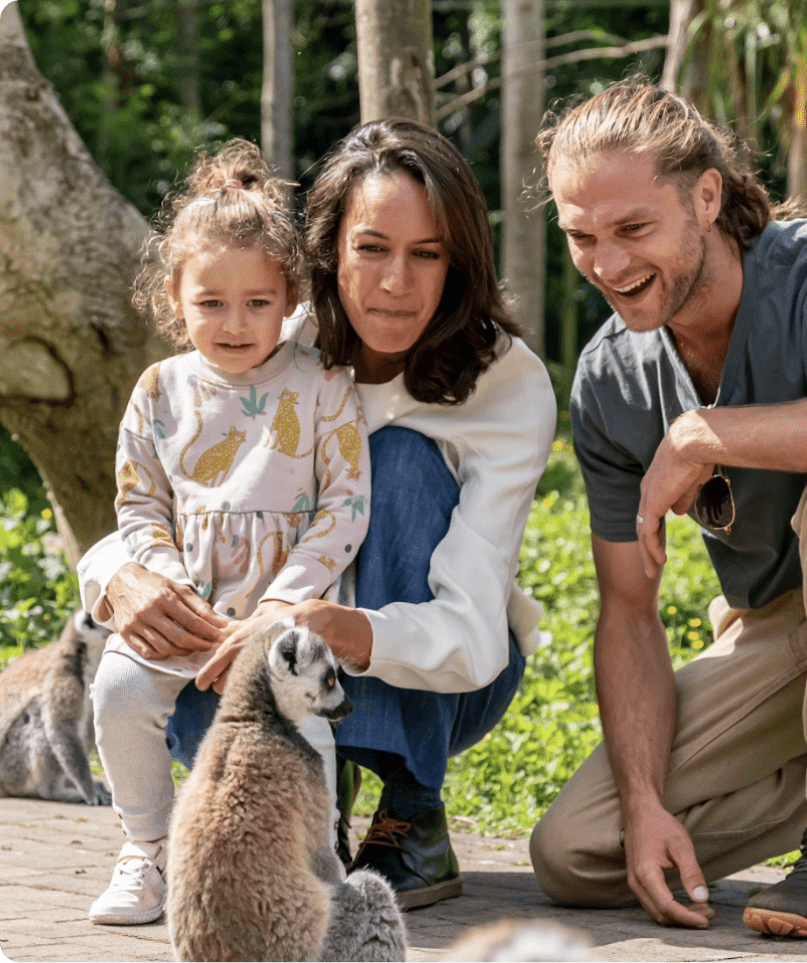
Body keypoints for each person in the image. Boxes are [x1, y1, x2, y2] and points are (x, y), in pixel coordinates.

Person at [79, 117, 557, 912]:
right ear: (328, 253)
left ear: (458, 262)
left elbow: (473, 634)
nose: (395, 282)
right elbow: (175, 498)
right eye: (371, 247)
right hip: (256, 640)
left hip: (436, 677)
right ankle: (297, 815)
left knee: (398, 462)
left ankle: (410, 808)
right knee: (186, 675)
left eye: (426, 253)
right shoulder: (261, 326)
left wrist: (332, 626)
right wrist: (116, 576)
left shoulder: (505, 385)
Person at [527, 75, 807, 937]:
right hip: (780, 625)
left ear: (706, 196)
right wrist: (644, 801)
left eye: (633, 228)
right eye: (581, 237)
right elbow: (627, 611)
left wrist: (700, 435)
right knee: (578, 848)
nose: (606, 265)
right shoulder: (608, 381)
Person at [86, 138, 371, 925]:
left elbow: (344, 505)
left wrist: (282, 603)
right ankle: (148, 848)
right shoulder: (159, 391)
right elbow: (138, 502)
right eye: (211, 302)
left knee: (304, 727)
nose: (236, 323)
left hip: (280, 612)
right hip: (183, 606)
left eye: (257, 302)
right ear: (173, 297)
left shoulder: (322, 388)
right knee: (117, 692)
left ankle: (318, 861)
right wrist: (166, 581)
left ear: (289, 298)